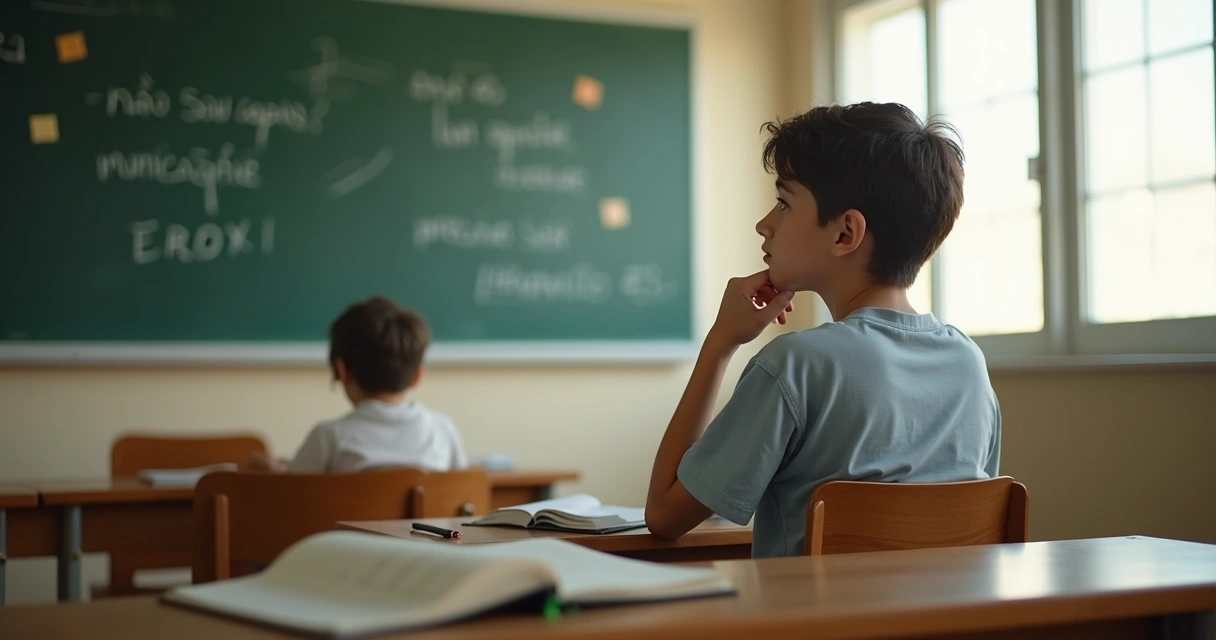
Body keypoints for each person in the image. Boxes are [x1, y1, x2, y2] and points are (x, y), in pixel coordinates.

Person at [644, 102, 1001, 557]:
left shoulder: (795, 366)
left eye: (783, 203)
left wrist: (719, 344)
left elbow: (664, 515)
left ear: (845, 234)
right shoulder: (969, 365)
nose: (764, 225)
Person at [248, 296, 468, 473]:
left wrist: (280, 472)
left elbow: (292, 494)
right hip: (424, 530)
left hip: (347, 531)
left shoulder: (328, 437)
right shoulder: (443, 430)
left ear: (342, 371)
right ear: (417, 375)